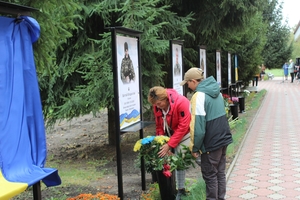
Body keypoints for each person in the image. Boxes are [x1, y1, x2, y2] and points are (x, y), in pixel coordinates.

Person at [180, 67, 233, 200]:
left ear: (193, 81)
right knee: (220, 173)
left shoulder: (199, 96)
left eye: (188, 83)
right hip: (223, 137)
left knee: (210, 176)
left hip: (211, 142)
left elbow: (198, 127)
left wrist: (195, 147)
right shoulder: (217, 92)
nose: (188, 86)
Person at [148, 86, 191, 200]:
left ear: (165, 98)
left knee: (189, 157)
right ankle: (181, 190)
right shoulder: (157, 106)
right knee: (178, 161)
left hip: (187, 133)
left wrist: (169, 145)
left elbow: (183, 126)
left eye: (159, 103)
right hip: (172, 135)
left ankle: (211, 181)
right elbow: (159, 126)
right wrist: (161, 142)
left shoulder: (181, 102)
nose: (157, 106)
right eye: (155, 104)